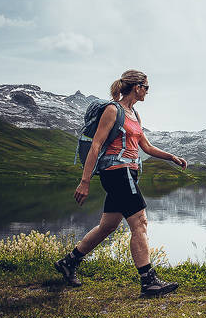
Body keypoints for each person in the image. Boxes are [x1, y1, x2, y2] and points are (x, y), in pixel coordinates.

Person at [54, 69, 188, 297]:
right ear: (137, 87)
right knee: (140, 222)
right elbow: (96, 145)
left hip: (129, 172)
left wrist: (171, 157)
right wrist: (84, 181)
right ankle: (149, 281)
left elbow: (145, 146)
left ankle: (68, 262)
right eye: (146, 87)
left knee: (108, 225)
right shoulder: (112, 110)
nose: (148, 91)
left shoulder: (134, 114)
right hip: (117, 171)